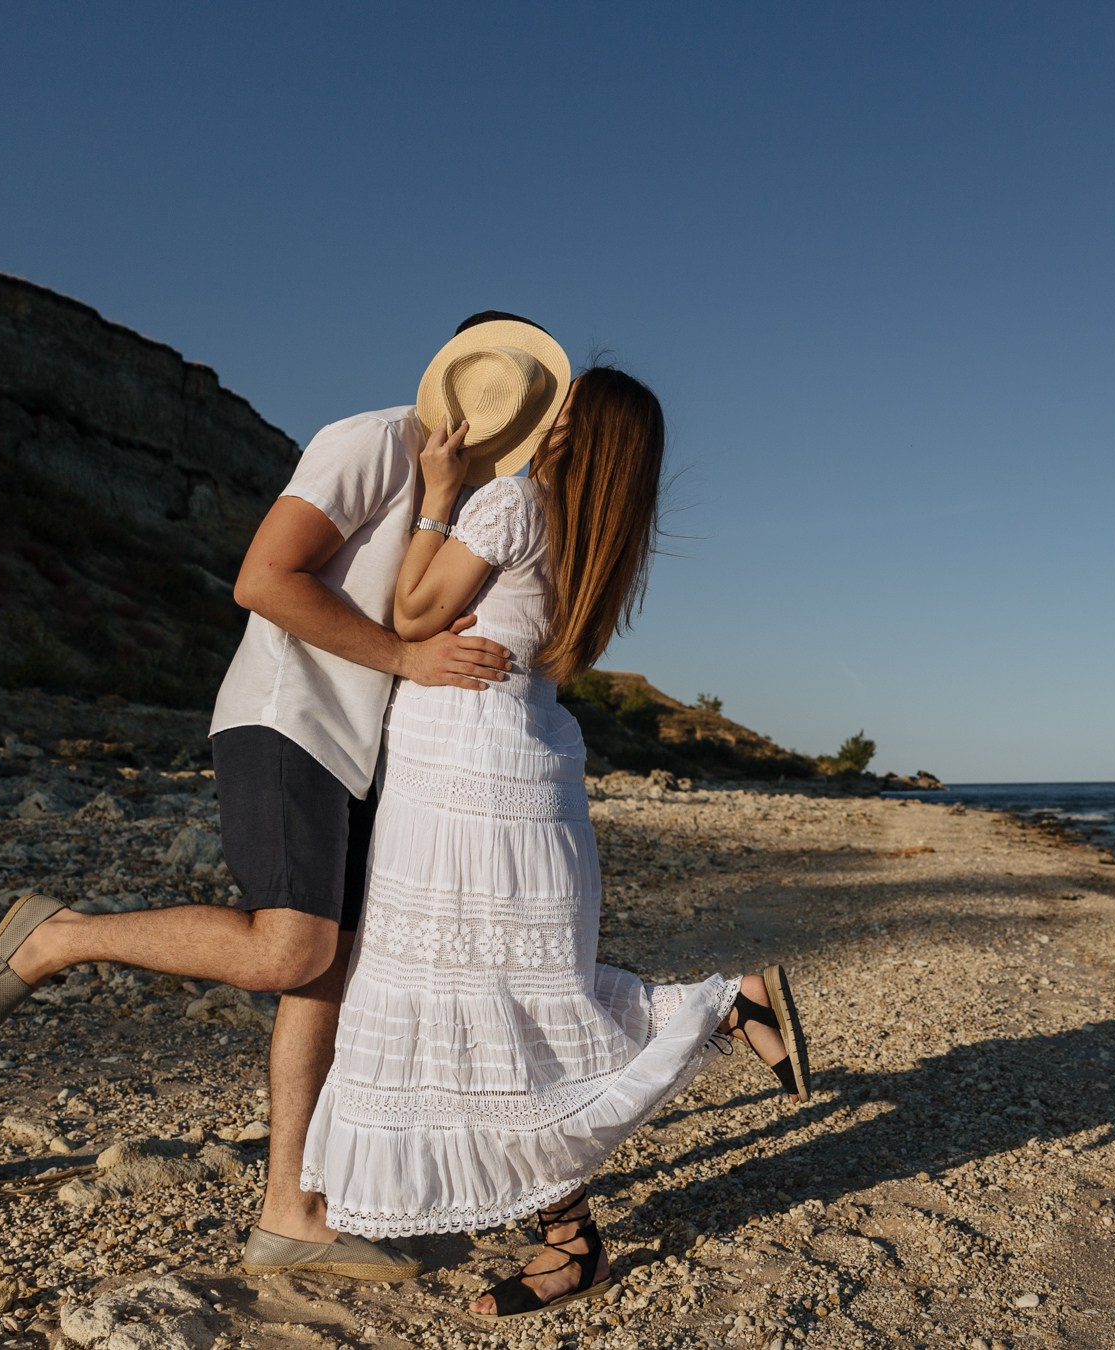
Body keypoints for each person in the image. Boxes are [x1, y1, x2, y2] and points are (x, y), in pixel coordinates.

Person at [0, 312, 569, 1281]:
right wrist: (405, 657)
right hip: (291, 717)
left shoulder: (484, 495)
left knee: (332, 971)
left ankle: (289, 1216)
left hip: (370, 753)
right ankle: (54, 937)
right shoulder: (370, 442)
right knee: (292, 949)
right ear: (452, 375)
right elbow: (263, 578)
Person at [300, 357, 811, 1321]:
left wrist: (438, 499)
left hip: (461, 772)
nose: (548, 417)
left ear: (578, 430)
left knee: (483, 1011)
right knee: (513, 1006)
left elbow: (411, 614)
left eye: (565, 407)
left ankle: (587, 1219)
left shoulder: (513, 503)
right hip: (531, 771)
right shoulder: (599, 546)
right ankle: (706, 1032)